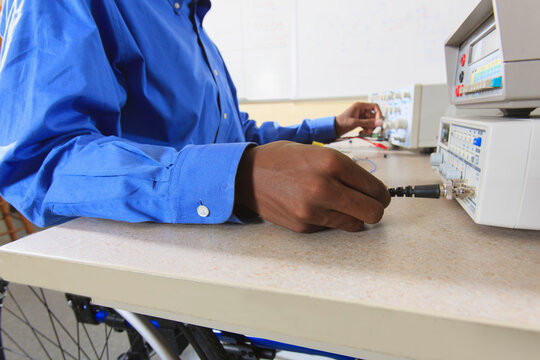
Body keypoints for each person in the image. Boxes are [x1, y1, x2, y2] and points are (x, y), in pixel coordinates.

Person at [0, 0, 390, 233]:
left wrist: (331, 127)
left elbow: (237, 134)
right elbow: (39, 162)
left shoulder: (197, 32)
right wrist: (235, 177)